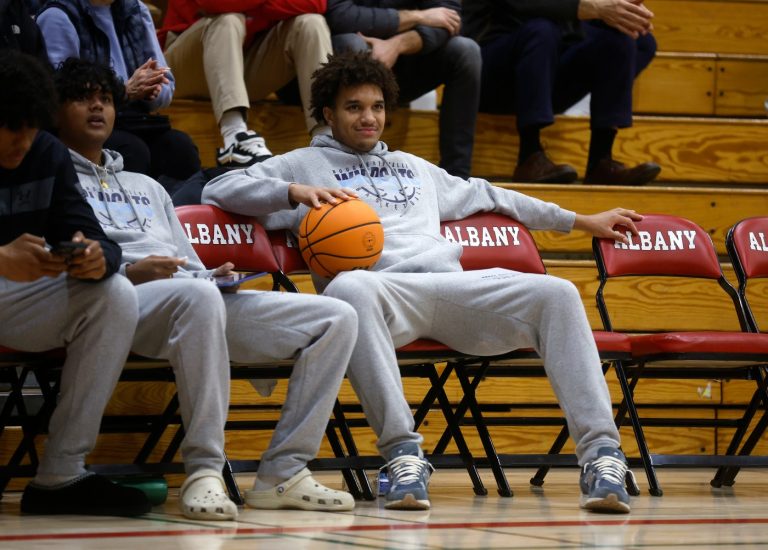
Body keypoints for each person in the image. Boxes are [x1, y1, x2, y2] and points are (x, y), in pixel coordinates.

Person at [203, 51, 643, 513]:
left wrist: (581, 221)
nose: (368, 117)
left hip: (450, 290)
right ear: (329, 114)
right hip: (380, 296)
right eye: (354, 107)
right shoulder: (300, 166)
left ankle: (602, 457)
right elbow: (218, 190)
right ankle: (402, 455)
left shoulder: (416, 167)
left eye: (376, 106)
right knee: (349, 289)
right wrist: (289, 192)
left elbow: (493, 195)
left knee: (558, 292)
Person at [54, 56, 361, 514]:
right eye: (83, 99)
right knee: (195, 297)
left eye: (105, 99)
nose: (97, 108)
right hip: (116, 304)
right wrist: (134, 274)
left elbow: (190, 268)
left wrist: (215, 277)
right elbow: (61, 268)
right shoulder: (54, 179)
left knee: (336, 317)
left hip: (191, 302)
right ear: (56, 111)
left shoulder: (148, 186)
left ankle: (283, 472)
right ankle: (204, 471)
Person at [0, 49, 149, 516]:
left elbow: (100, 241)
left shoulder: (45, 151)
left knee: (115, 293)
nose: (23, 141)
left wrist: (92, 259)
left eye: (32, 127)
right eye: (11, 129)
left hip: (15, 304)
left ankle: (61, 473)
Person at [462, 0, 661, 185]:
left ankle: (601, 162)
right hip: (488, 69)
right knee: (540, 29)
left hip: (546, 67)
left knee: (625, 36)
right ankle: (529, 156)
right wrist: (590, 7)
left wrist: (625, 12)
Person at [36, 0, 201, 185]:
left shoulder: (136, 10)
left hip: (137, 118)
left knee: (180, 147)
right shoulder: (57, 15)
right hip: (88, 123)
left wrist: (152, 88)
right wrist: (125, 91)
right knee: (131, 149)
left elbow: (166, 84)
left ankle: (177, 213)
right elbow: (62, 91)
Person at [159, 0, 331, 168]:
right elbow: (214, 4)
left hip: (239, 63)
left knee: (311, 23)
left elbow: (316, 4)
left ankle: (326, 138)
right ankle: (235, 136)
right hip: (182, 67)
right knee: (228, 20)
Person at [324, 0, 480, 179]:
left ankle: (456, 179)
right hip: (344, 54)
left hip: (405, 59)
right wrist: (418, 16)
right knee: (352, 43)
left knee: (466, 51)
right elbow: (341, 15)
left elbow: (450, 17)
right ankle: (349, 170)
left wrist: (398, 44)